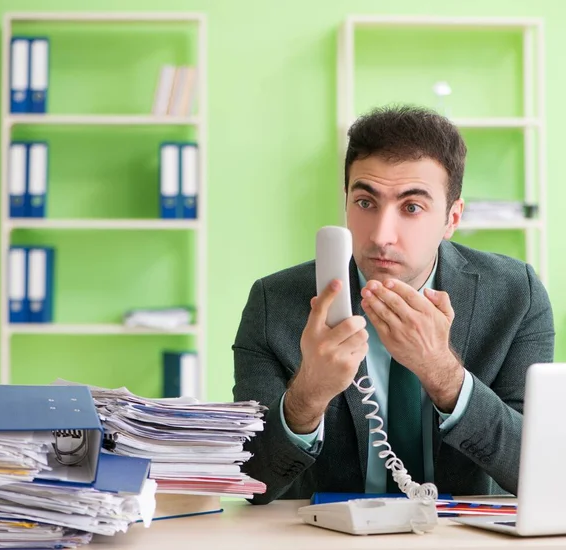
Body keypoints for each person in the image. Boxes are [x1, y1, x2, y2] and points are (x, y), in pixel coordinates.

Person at [232, 105, 555, 505]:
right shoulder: (274, 302)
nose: (382, 236)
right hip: (321, 539)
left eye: (412, 207)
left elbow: (543, 472)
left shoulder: (516, 296)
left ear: (452, 217)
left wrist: (443, 373)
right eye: (366, 202)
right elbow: (251, 480)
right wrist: (308, 395)